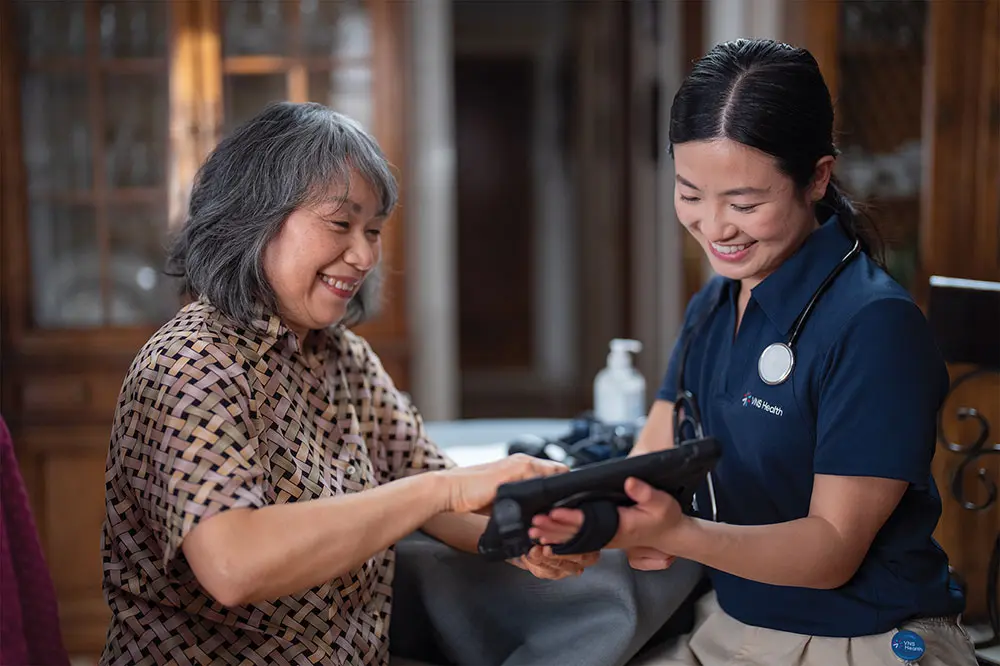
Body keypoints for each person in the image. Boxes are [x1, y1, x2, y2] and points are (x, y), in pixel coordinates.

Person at [99, 101, 598, 666]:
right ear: (253, 218)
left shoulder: (342, 356)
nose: (364, 255)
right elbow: (233, 565)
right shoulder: (190, 362)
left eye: (374, 230)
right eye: (341, 224)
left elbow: (426, 487)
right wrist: (441, 490)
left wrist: (519, 538)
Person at [531, 39, 978, 666]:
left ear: (817, 178)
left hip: (862, 640)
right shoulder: (714, 303)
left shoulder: (876, 327)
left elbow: (830, 551)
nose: (714, 228)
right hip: (731, 625)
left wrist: (676, 533)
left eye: (745, 204)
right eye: (690, 194)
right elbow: (650, 459)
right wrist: (587, 523)